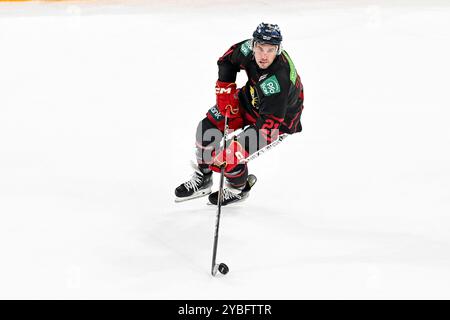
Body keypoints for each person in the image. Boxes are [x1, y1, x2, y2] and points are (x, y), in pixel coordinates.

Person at [175, 22, 304, 205]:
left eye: (270, 50)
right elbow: (227, 60)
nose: (264, 56)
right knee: (206, 129)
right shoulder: (247, 49)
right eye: (260, 48)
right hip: (252, 98)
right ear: (253, 45)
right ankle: (203, 178)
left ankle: (238, 189)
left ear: (278, 49)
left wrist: (236, 148)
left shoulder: (278, 81)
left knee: (231, 157)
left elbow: (268, 126)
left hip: (278, 121)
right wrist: (225, 94)